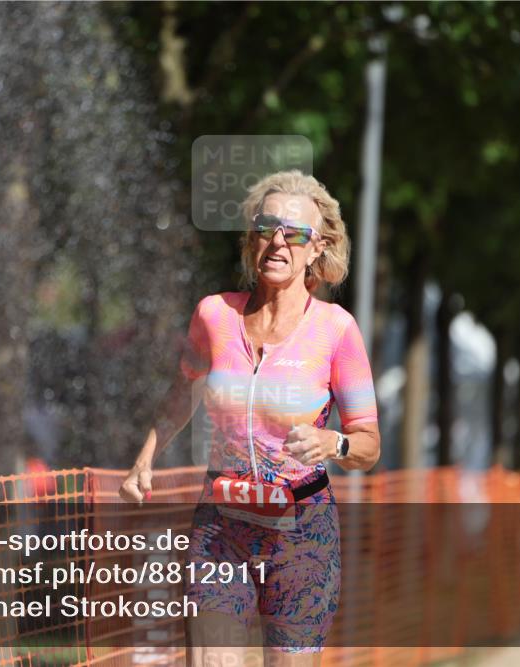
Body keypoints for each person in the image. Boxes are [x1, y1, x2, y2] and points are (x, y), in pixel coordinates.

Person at [120, 171, 380, 665]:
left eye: (295, 233)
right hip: (221, 528)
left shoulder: (336, 331)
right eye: (267, 228)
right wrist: (144, 459)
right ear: (252, 239)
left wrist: (334, 444)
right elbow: (183, 390)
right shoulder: (213, 315)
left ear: (317, 248)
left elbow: (368, 443)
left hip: (301, 534)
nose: (278, 242)